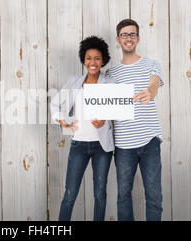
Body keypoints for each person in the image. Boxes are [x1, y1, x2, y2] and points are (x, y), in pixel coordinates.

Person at [50, 36, 115, 221]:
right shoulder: (73, 82)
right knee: (70, 194)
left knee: (100, 194)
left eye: (97, 58)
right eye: (88, 58)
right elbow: (55, 105)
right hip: (79, 144)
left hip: (102, 147)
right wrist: (62, 120)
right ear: (83, 59)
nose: (92, 62)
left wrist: (105, 120)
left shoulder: (110, 84)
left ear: (103, 60)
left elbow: (118, 110)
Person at [105, 19, 164, 221]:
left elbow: (154, 83)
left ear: (138, 38)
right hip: (122, 146)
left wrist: (150, 91)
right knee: (123, 197)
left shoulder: (152, 65)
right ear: (118, 39)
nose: (128, 38)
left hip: (149, 142)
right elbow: (108, 109)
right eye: (124, 35)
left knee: (155, 198)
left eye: (132, 35)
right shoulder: (111, 73)